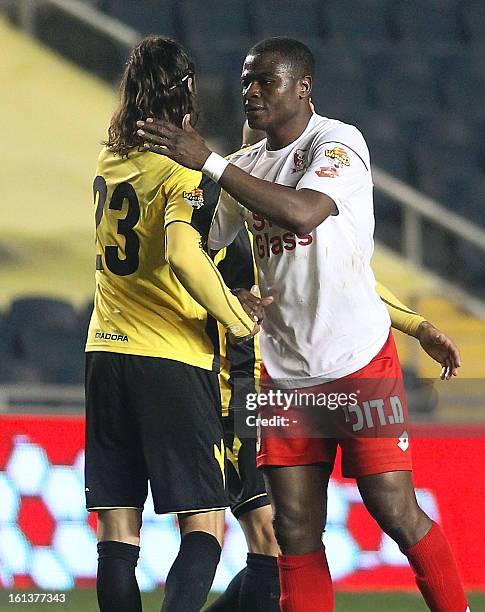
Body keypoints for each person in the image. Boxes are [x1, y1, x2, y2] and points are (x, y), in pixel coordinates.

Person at [137, 37, 469, 612]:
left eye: (265, 81)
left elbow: (304, 211)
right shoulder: (243, 166)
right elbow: (200, 250)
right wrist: (227, 289)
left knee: (393, 508)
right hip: (284, 377)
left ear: (303, 88)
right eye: (245, 81)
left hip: (359, 363)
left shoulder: (337, 144)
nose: (251, 92)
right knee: (293, 530)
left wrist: (209, 161)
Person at [84, 36, 266, 612]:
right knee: (205, 525)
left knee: (117, 534)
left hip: (104, 351)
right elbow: (185, 255)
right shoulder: (179, 172)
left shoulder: (110, 161)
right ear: (186, 91)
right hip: (170, 356)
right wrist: (238, 320)